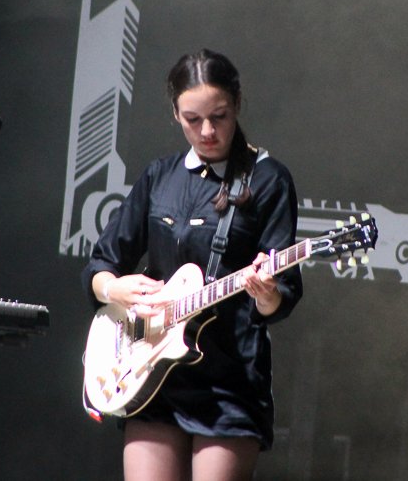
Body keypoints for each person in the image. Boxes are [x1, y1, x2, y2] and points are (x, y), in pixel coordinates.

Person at [82, 49, 302, 480]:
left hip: (229, 382)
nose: (207, 131)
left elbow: (283, 296)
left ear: (237, 104)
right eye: (192, 119)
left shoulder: (268, 180)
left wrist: (266, 294)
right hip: (151, 373)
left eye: (219, 117)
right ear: (175, 114)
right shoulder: (160, 176)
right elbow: (101, 264)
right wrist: (114, 288)